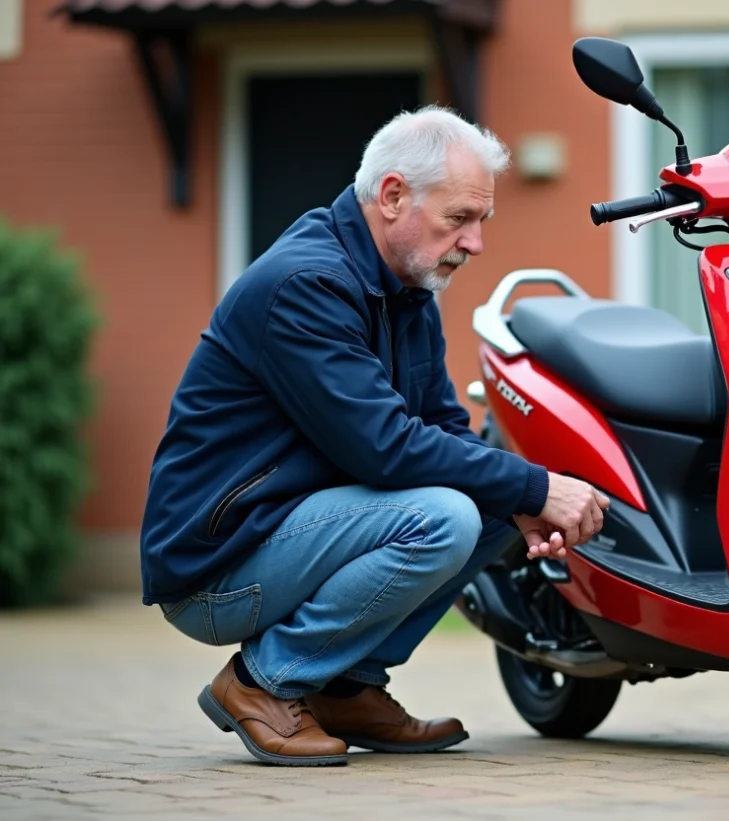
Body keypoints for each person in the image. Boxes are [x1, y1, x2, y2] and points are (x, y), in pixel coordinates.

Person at [139, 105, 609, 767]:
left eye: (481, 222)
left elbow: (443, 428)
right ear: (392, 197)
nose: (475, 243)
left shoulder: (405, 287)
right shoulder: (306, 285)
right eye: (460, 219)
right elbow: (385, 448)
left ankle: (344, 685)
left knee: (496, 502)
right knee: (443, 516)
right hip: (216, 568)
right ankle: (262, 682)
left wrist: (525, 497)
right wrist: (541, 485)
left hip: (289, 535)